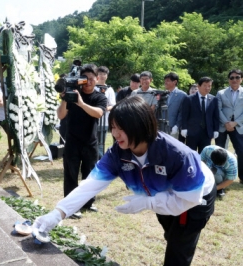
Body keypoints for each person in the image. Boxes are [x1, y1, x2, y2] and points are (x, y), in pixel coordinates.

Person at [34, 96, 216, 266]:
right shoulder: (117, 153)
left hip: (195, 197)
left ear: (141, 126)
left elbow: (188, 199)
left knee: (178, 248)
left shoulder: (177, 155)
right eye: (113, 127)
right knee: (172, 235)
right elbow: (90, 186)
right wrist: (58, 214)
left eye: (121, 128)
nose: (115, 134)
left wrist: (149, 202)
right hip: (162, 194)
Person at [57, 63, 107, 218]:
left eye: (91, 79)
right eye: (85, 79)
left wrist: (81, 103)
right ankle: (71, 206)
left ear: (97, 79)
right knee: (71, 174)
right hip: (72, 141)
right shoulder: (73, 93)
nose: (88, 82)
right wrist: (65, 99)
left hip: (90, 142)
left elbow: (98, 113)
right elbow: (61, 115)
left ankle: (88, 203)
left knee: (90, 175)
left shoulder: (100, 96)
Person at [215, 69, 243, 184]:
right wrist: (226, 122)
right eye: (232, 77)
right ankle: (219, 177)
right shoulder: (221, 93)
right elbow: (218, 109)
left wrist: (235, 122)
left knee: (241, 151)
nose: (234, 80)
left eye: (237, 77)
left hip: (239, 126)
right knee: (220, 151)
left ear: (241, 79)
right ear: (228, 79)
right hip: (223, 125)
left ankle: (242, 177)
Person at [181, 77, 219, 153]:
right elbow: (184, 115)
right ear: (198, 86)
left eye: (209, 86)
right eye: (205, 85)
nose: (207, 88)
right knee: (191, 154)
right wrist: (184, 128)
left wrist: (216, 130)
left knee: (204, 155)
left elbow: (215, 116)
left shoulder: (213, 99)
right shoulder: (189, 99)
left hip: (207, 133)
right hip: (192, 132)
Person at [95, 66, 116, 158]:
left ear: (107, 76)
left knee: (101, 143)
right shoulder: (93, 87)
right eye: (100, 74)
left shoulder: (109, 89)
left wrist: (105, 108)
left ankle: (100, 160)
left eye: (104, 74)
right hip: (93, 119)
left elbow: (113, 105)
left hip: (104, 120)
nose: (102, 76)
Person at [163, 72, 187, 140]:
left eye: (167, 81)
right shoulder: (164, 94)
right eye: (165, 81)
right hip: (162, 126)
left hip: (173, 127)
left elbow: (182, 112)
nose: (165, 83)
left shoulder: (182, 95)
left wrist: (177, 125)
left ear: (175, 82)